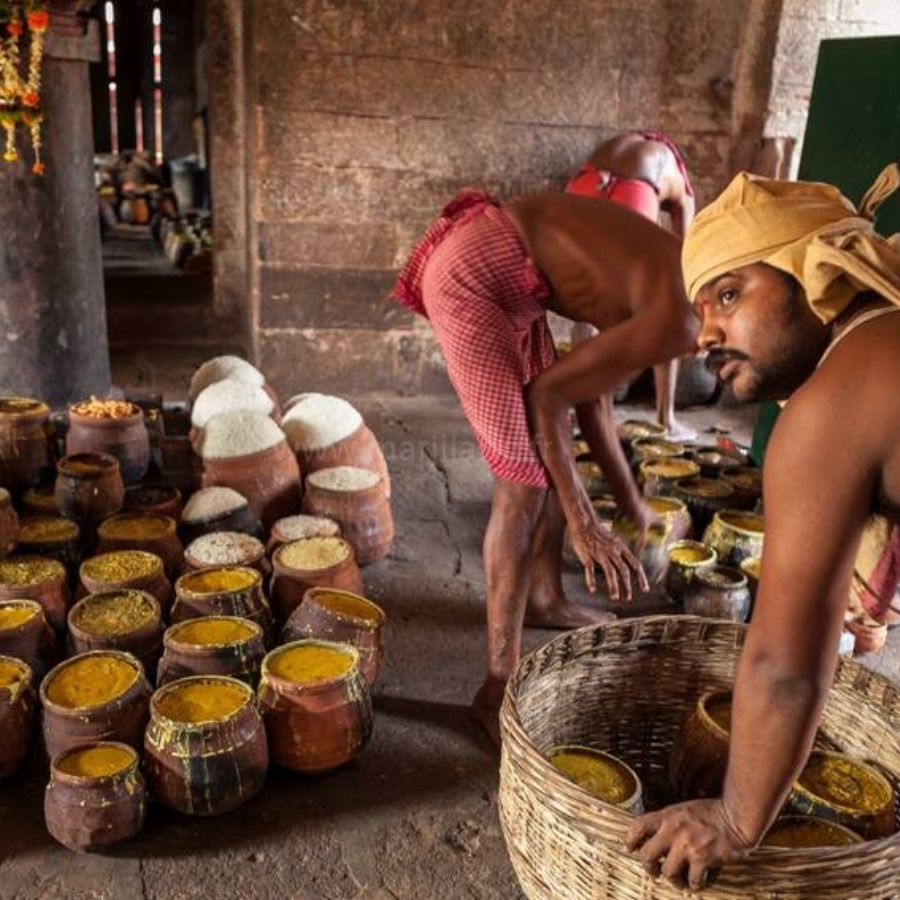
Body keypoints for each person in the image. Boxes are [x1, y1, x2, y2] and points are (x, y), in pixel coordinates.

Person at [626, 163, 900, 892]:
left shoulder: (832, 406)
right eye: (701, 309)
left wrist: (736, 819)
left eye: (728, 294)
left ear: (815, 272)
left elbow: (785, 664)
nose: (704, 334)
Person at [392, 190, 698, 743]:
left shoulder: (685, 271)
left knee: (552, 459)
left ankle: (545, 597)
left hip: (512, 276)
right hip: (475, 274)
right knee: (523, 482)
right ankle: (494, 690)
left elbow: (592, 400)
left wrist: (631, 504)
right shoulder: (683, 317)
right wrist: (585, 523)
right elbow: (548, 401)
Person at [567, 132, 698, 439]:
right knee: (670, 304)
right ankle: (667, 420)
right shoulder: (681, 185)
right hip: (634, 192)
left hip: (584, 184)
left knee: (588, 307)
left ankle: (589, 414)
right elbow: (686, 255)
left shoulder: (627, 144)